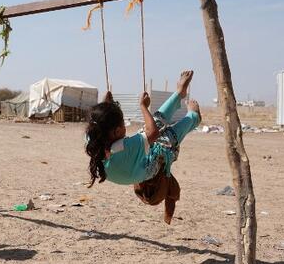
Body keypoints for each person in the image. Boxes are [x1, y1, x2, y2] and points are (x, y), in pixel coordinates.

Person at [85, 70, 201, 224]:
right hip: (145, 172)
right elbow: (153, 133)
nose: (125, 127)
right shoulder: (124, 147)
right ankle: (194, 117)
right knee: (165, 139)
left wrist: (106, 104)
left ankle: (179, 93)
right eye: (123, 124)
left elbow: (99, 121)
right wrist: (143, 106)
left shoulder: (92, 138)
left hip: (122, 173)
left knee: (156, 124)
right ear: (117, 131)